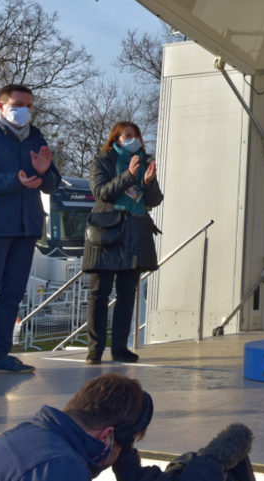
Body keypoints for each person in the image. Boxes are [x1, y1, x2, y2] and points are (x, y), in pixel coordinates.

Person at [0, 373, 256, 481]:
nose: (122, 456)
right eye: (126, 445)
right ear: (107, 436)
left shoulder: (34, 436)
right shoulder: (61, 467)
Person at [0, 83, 61, 380]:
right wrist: (14, 180)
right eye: (18, 105)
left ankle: (0, 354)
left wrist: (43, 172)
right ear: (1, 106)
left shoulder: (37, 138)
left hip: (27, 226)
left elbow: (52, 184)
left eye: (29, 106)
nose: (24, 111)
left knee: (13, 294)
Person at [82, 122, 163, 365]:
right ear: (116, 138)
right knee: (99, 293)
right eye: (127, 135)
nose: (133, 139)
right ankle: (95, 350)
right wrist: (128, 176)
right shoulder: (102, 161)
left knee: (127, 294)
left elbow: (154, 200)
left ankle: (120, 348)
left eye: (136, 135)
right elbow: (101, 192)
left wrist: (148, 183)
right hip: (107, 234)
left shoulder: (145, 161)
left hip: (135, 233)